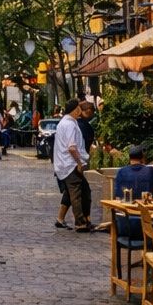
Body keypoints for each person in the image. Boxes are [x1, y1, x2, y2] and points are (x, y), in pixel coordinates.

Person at [53, 97, 92, 232]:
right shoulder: (69, 124)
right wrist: (79, 163)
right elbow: (72, 147)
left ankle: (61, 219)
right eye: (79, 108)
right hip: (70, 164)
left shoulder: (66, 122)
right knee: (77, 194)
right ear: (76, 109)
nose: (80, 111)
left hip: (65, 164)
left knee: (78, 192)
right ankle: (80, 223)